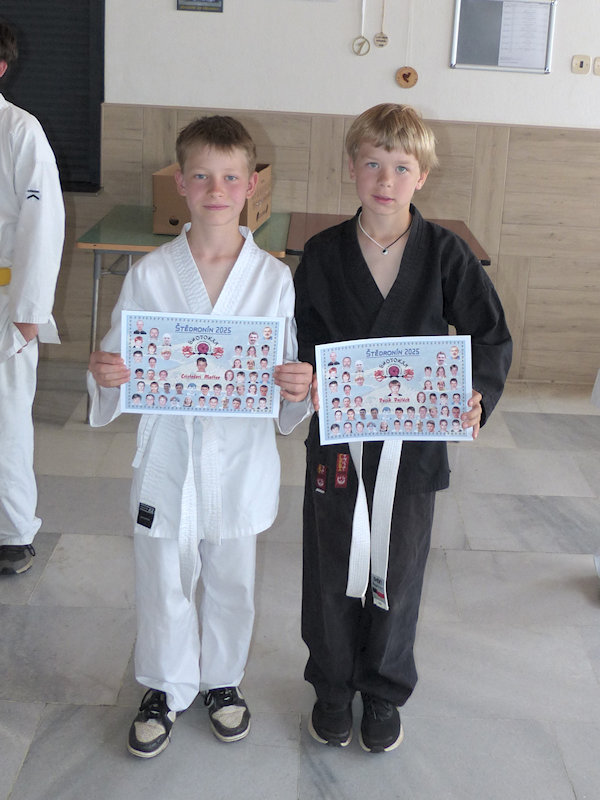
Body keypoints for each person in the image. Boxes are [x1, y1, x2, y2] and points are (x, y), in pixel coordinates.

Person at [88, 116, 312, 758]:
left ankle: (222, 681)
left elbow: (284, 372)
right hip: (169, 454)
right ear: (181, 184)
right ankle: (164, 684)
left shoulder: (272, 278)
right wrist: (108, 373)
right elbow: (118, 356)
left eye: (231, 177)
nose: (217, 189)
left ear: (251, 186)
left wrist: (296, 386)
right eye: (202, 177)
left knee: (232, 575)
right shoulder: (151, 272)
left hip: (239, 456)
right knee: (161, 571)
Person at [294, 103, 511, 754]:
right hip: (339, 440)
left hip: (414, 446)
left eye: (401, 167)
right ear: (351, 168)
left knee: (401, 567)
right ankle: (333, 687)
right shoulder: (323, 253)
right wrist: (305, 375)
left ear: (423, 176)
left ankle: (384, 689)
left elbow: (489, 336)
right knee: (332, 563)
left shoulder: (446, 253)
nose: (385, 180)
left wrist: (475, 394)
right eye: (372, 164)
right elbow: (301, 335)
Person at [0, 20, 65, 576]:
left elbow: (43, 226)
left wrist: (27, 314)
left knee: (5, 420)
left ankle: (12, 534)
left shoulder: (21, 131)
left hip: (4, 298)